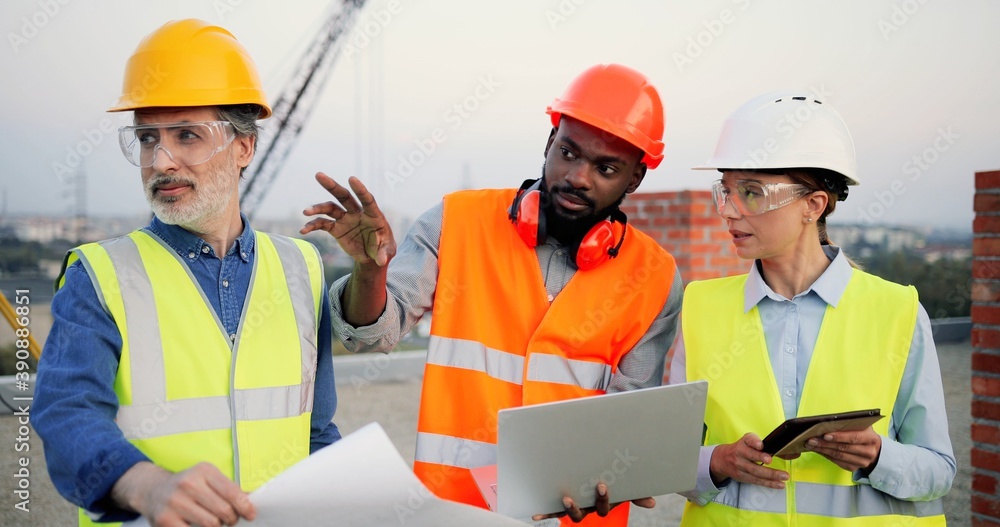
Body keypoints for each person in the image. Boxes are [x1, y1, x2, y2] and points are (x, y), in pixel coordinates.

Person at [301, 63, 683, 526]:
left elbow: (628, 418)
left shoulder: (656, 278)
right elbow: (370, 338)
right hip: (454, 512)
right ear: (548, 144)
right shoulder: (455, 222)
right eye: (567, 152)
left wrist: (613, 475)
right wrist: (369, 269)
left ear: (635, 180)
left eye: (605, 168)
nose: (578, 177)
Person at [33, 19, 341, 527]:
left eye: (187, 136)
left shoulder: (301, 267)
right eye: (148, 138)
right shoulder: (100, 275)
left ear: (244, 147)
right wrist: (147, 486)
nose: (160, 160)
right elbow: (66, 412)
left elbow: (315, 430)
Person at [669, 91, 956, 525]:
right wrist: (716, 462)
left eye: (751, 192)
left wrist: (879, 457)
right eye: (724, 191)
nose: (728, 211)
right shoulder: (699, 309)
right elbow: (667, 460)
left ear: (813, 205)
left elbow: (939, 472)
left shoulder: (897, 311)